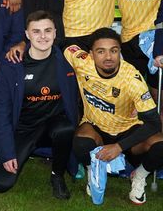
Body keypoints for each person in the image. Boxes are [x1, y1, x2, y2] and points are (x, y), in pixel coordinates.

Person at [68, 28, 163, 205]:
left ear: (120, 51)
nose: (108, 57)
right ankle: (94, 170)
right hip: (96, 127)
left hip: (129, 132)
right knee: (80, 142)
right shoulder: (81, 61)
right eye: (101, 51)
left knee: (160, 144)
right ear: (91, 54)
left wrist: (119, 147)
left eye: (114, 50)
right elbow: (59, 44)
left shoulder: (132, 79)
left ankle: (139, 176)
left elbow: (154, 123)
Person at [0, 11, 78, 199]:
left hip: (52, 126)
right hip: (23, 130)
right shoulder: (11, 65)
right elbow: (0, 113)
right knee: (0, 183)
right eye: (36, 31)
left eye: (47, 30)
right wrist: (6, 153)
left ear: (55, 32)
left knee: (65, 128)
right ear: (27, 35)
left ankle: (57, 175)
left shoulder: (68, 59)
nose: (43, 36)